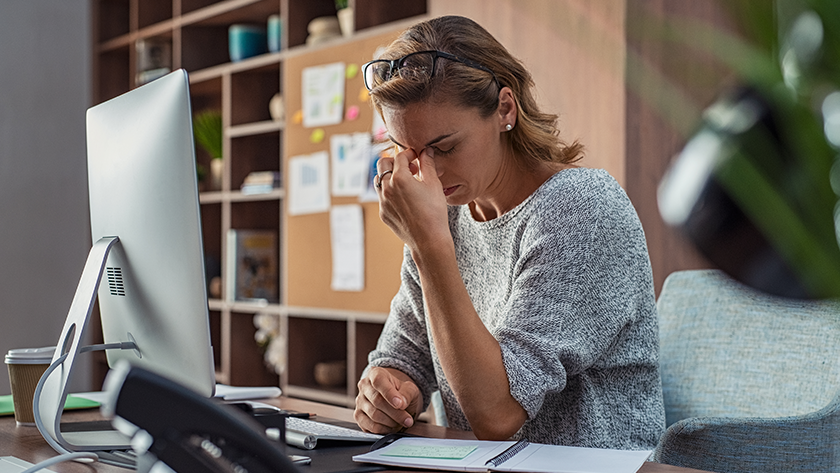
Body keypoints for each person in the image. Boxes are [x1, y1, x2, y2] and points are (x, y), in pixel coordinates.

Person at [355, 15, 665, 450]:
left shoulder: (581, 209)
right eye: (409, 151)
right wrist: (387, 391)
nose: (427, 172)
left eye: (444, 147)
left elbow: (497, 413)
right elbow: (406, 355)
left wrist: (428, 245)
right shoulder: (446, 216)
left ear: (505, 108)